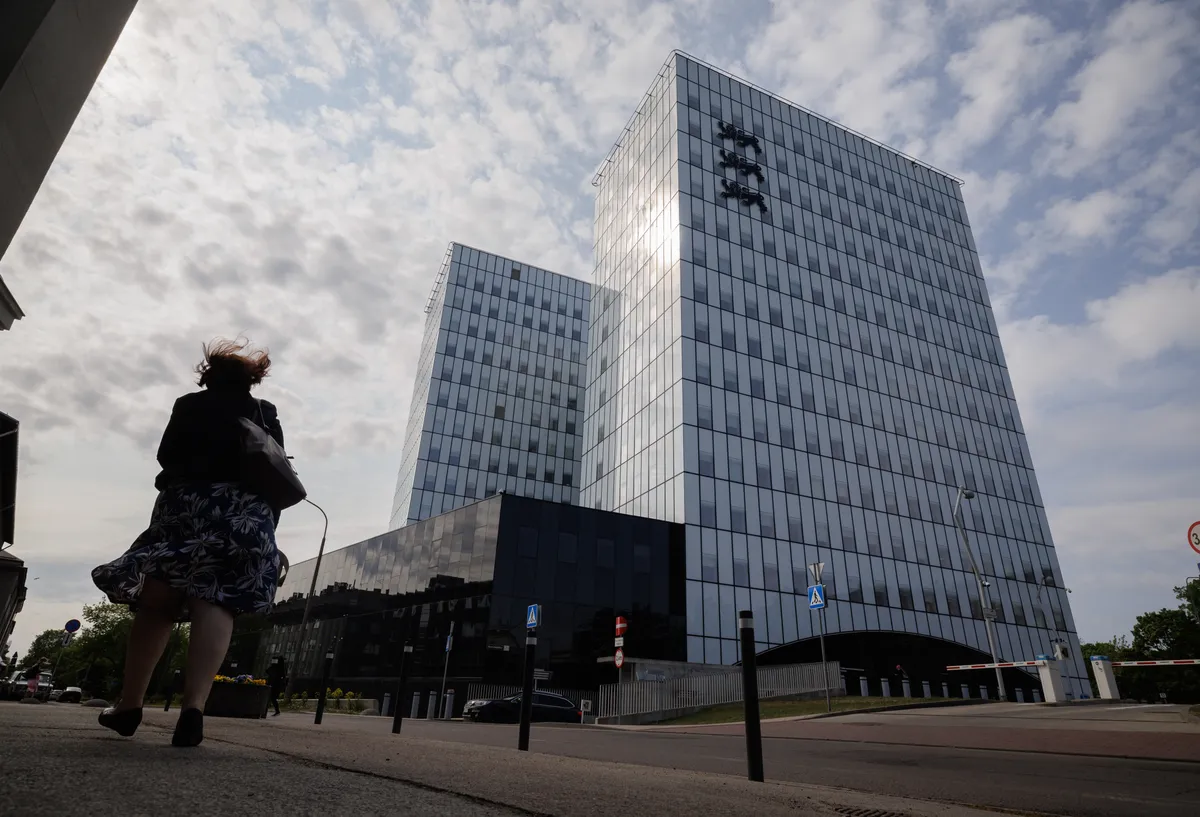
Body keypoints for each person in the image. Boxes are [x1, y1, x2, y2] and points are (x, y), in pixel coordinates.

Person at [92, 338, 286, 747]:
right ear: (252, 380)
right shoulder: (264, 413)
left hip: (188, 502)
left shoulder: (189, 405)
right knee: (216, 600)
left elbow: (167, 456)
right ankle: (193, 710)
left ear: (208, 375)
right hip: (246, 513)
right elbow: (276, 468)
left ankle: (129, 705)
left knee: (157, 604)